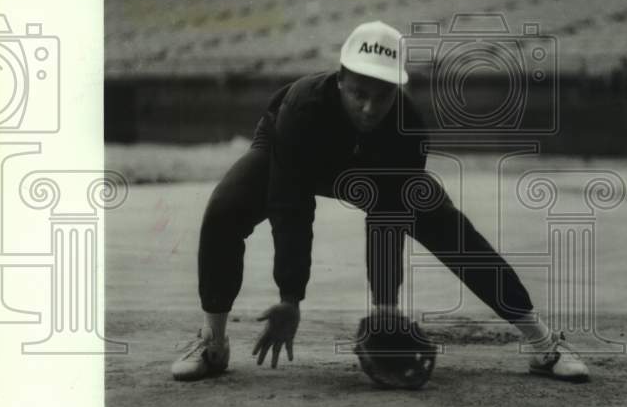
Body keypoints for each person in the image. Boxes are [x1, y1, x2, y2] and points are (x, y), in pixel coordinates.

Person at [172, 21, 589, 383]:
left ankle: (543, 344)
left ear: (397, 90)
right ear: (340, 80)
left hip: (372, 165)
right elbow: (291, 208)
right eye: (359, 93)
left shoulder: (407, 131)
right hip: (294, 150)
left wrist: (385, 309)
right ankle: (213, 343)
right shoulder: (302, 109)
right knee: (224, 210)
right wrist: (290, 297)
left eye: (383, 96)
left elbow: (387, 221)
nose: (370, 107)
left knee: (450, 229)